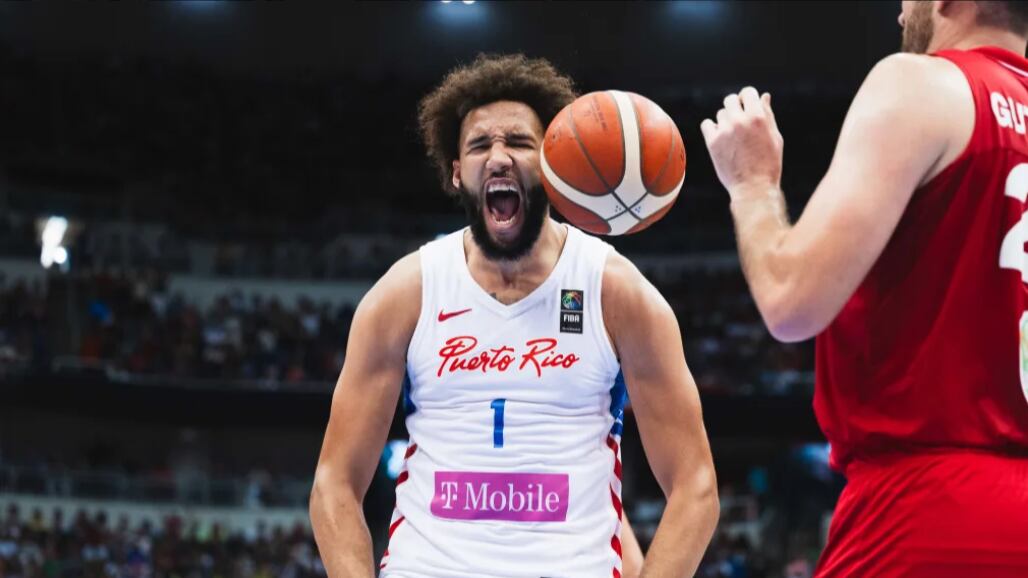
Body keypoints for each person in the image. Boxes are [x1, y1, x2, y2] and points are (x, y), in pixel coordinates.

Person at [309, 54, 719, 578]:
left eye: (519, 143)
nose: (498, 157)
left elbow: (696, 487)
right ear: (457, 174)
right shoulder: (407, 292)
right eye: (479, 145)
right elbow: (334, 481)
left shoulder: (614, 292)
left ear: (555, 161)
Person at [701, 1, 1028, 576]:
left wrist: (751, 183)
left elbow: (790, 300)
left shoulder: (922, 84)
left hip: (926, 514)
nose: (901, 12)